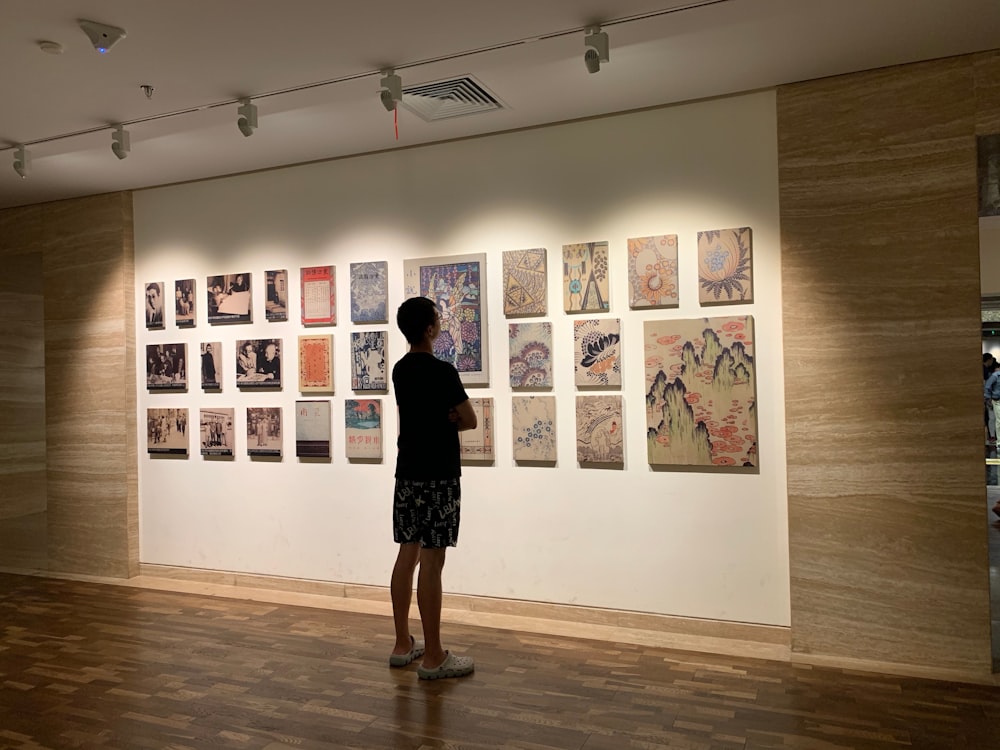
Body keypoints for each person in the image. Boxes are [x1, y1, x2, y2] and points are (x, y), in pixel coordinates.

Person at [389, 296, 477, 680]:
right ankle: (434, 655)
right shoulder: (444, 372)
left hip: (407, 472)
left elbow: (417, 416)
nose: (440, 323)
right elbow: (470, 419)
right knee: (433, 560)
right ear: (429, 328)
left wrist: (435, 419)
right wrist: (447, 419)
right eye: (437, 319)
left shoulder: (399, 371)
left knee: (406, 553)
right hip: (439, 475)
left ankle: (401, 644)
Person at [986, 361, 1000, 446]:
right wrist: (989, 399)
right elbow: (987, 387)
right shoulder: (995, 376)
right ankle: (999, 442)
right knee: (999, 421)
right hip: (997, 400)